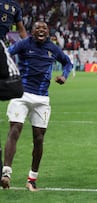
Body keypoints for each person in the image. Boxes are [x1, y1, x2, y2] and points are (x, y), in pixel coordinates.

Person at [1, 21, 73, 191]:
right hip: (22, 94)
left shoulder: (53, 48)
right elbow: (6, 54)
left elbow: (68, 62)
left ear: (48, 32)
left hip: (42, 98)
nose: (41, 30)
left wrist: (64, 76)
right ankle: (6, 173)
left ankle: (32, 179)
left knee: (39, 138)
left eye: (44, 29)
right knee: (15, 129)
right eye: (37, 28)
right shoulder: (24, 44)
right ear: (32, 32)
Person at [0, 0, 27, 180]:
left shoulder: (14, 6)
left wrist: (29, 44)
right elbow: (17, 89)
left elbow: (21, 28)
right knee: (16, 86)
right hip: (1, 49)